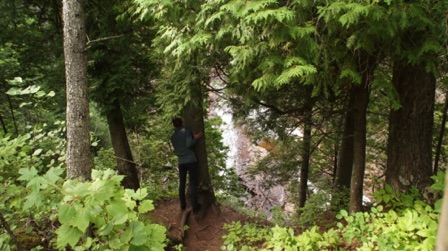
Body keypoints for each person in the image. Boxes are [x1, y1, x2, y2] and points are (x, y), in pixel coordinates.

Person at [170, 117, 202, 214]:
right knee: (193, 184)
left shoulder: (172, 137)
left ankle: (183, 205)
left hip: (181, 162)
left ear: (174, 125)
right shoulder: (186, 131)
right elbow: (188, 144)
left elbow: (176, 150)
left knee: (182, 183)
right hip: (191, 160)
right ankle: (195, 207)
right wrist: (195, 138)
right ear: (182, 123)